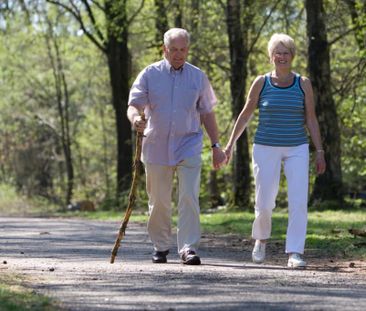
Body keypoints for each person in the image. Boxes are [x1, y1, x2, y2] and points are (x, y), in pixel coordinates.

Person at [224, 33, 326, 268]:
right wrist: (230, 144)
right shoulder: (261, 82)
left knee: (298, 199)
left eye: (286, 52)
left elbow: (311, 118)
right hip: (265, 146)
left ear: (292, 56)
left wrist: (319, 150)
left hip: (297, 146)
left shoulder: (303, 83)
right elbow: (246, 114)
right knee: (265, 200)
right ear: (271, 56)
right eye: (277, 52)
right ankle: (261, 238)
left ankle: (295, 252)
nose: (282, 56)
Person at [127, 28, 226, 265]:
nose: (179, 54)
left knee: (189, 197)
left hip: (188, 143)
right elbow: (133, 105)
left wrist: (216, 145)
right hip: (156, 145)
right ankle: (161, 246)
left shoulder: (198, 77)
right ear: (165, 49)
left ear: (187, 50)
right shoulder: (149, 74)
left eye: (183, 50)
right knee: (159, 200)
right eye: (174, 50)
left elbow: (208, 113)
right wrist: (135, 119)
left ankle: (188, 248)